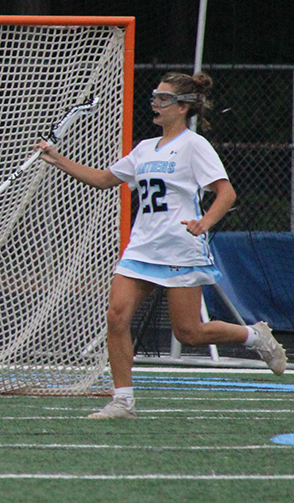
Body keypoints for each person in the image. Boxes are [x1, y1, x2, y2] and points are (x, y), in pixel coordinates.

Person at [35, 71, 287, 419]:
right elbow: (104, 180)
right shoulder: (143, 149)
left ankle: (253, 336)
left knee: (189, 332)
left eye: (164, 98)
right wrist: (57, 159)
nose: (155, 103)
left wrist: (204, 223)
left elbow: (226, 193)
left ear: (184, 107)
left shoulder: (194, 145)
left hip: (179, 248)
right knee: (116, 316)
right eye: (155, 96)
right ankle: (122, 401)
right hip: (142, 249)